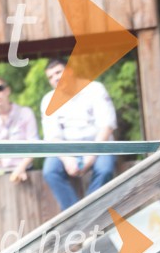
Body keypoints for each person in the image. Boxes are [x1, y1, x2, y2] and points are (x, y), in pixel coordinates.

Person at [40, 58, 117, 211]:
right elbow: (52, 136)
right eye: (50, 77)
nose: (55, 78)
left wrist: (91, 155)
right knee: (50, 171)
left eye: (58, 72)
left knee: (104, 170)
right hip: (67, 148)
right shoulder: (48, 100)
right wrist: (67, 158)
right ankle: (75, 213)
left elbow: (107, 126)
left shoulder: (95, 89)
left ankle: (90, 211)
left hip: (99, 144)